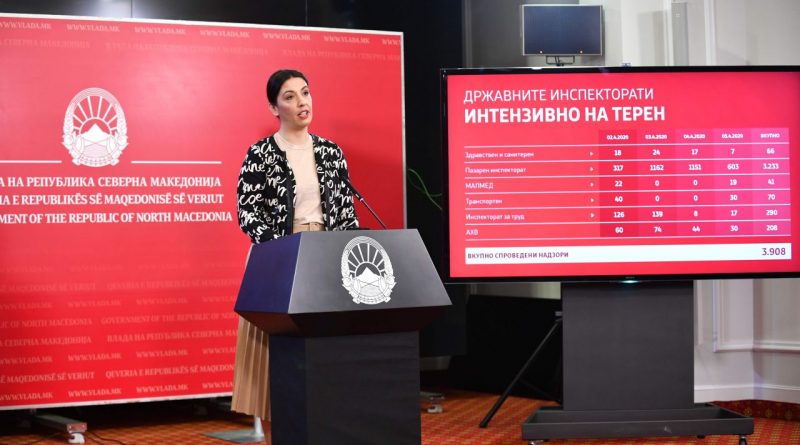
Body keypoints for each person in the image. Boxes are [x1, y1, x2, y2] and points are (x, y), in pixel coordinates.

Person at [232, 69, 359, 438]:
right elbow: (248, 212)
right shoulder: (260, 153)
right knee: (274, 361)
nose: (302, 102)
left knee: (324, 357)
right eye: (290, 97)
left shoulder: (331, 152)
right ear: (275, 107)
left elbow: (346, 213)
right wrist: (281, 251)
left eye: (305, 93)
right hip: (278, 260)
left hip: (325, 259)